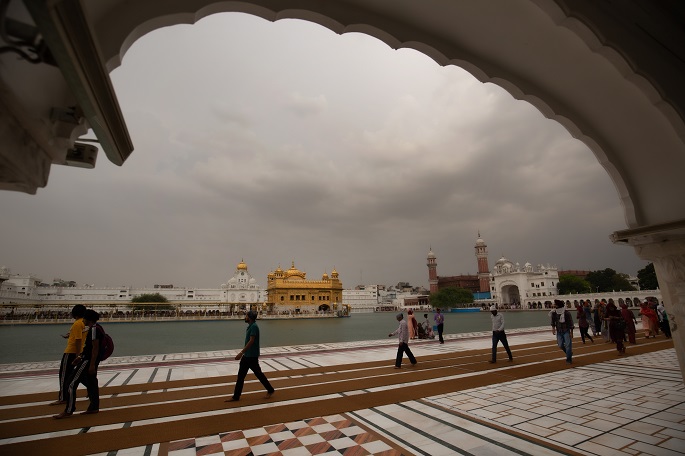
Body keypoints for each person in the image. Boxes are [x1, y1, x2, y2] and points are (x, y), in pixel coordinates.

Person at [53, 309, 103, 418]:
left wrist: (91, 364)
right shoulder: (95, 328)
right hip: (87, 359)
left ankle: (69, 410)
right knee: (92, 383)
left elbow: (95, 348)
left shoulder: (94, 329)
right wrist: (80, 357)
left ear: (88, 319)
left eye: (84, 318)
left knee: (71, 383)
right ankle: (94, 407)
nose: (83, 320)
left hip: (87, 361)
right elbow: (89, 347)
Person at [226, 310, 274, 401]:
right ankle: (236, 396)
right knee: (241, 376)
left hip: (252, 356)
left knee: (259, 374)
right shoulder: (250, 326)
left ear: (250, 318)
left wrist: (241, 353)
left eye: (247, 316)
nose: (245, 317)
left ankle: (270, 389)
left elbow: (251, 341)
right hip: (247, 356)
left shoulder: (254, 327)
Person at [50, 304, 86, 406]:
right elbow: (80, 334)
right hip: (79, 351)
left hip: (71, 352)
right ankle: (91, 390)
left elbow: (78, 340)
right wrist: (70, 335)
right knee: (78, 375)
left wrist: (77, 356)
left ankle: (63, 398)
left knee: (64, 375)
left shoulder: (77, 323)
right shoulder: (84, 323)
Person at [550, 300, 574, 364]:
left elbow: (571, 322)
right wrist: (553, 329)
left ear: (558, 305)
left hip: (566, 330)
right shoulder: (554, 313)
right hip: (559, 331)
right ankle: (569, 353)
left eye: (555, 304)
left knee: (568, 345)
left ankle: (568, 359)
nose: (554, 305)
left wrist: (571, 332)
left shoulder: (566, 313)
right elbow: (553, 322)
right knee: (560, 345)